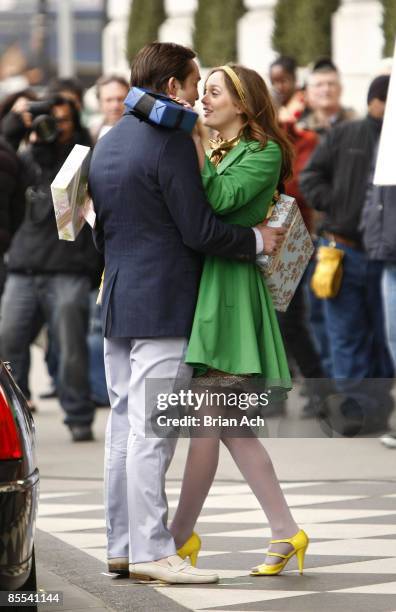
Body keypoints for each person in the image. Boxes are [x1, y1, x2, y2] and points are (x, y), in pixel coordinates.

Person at [88, 42, 285, 584]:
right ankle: (153, 551)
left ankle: (123, 547)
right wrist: (256, 239)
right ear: (172, 86)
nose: (198, 96)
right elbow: (199, 229)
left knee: (124, 431)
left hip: (119, 299)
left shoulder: (107, 140)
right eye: (195, 83)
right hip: (167, 302)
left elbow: (97, 231)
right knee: (151, 433)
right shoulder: (170, 142)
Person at [167, 63, 308, 577]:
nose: (203, 100)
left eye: (214, 93)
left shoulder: (264, 151)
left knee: (207, 425)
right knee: (230, 429)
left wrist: (195, 144)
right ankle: (284, 530)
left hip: (230, 297)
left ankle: (177, 538)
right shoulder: (219, 147)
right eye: (202, 93)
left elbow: (220, 201)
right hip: (210, 291)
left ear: (244, 104)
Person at [0, 96, 100, 442]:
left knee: (71, 349)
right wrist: (12, 131)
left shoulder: (84, 160)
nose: (54, 128)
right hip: (23, 269)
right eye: (47, 121)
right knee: (8, 341)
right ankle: (15, 419)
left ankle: (79, 417)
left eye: (62, 121)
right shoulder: (23, 159)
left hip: (67, 269)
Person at [300, 75, 394, 435]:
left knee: (383, 338)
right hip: (342, 251)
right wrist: (336, 207)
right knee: (346, 336)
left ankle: (378, 409)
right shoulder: (346, 135)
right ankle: (354, 412)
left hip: (385, 257)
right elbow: (310, 178)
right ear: (376, 102)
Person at [91, 75, 129, 142]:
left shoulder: (142, 132)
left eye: (120, 99)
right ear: (100, 102)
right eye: (109, 100)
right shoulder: (90, 134)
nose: (115, 105)